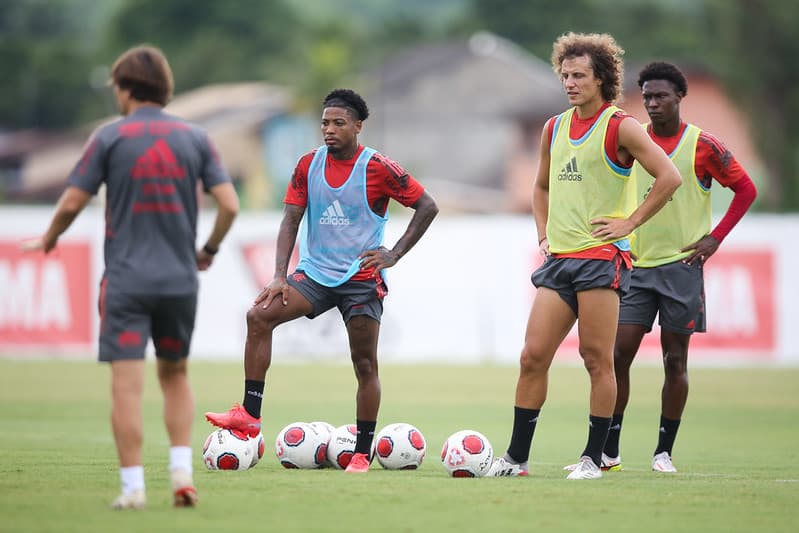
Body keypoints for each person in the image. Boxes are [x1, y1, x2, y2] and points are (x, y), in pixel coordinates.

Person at [21, 45, 240, 508]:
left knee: (127, 384)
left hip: (126, 281)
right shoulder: (196, 138)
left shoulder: (109, 138)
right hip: (180, 280)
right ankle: (182, 474)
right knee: (175, 374)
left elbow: (73, 202)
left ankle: (133, 489)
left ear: (125, 88)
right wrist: (210, 249)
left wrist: (49, 238)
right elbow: (230, 204)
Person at [204, 88, 439, 474]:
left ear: (357, 127)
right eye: (325, 123)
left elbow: (427, 205)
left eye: (338, 123)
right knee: (258, 316)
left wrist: (393, 254)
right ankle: (250, 414)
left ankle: (362, 452)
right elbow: (290, 220)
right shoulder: (307, 165)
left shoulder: (378, 167)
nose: (329, 130)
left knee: (364, 365)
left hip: (361, 279)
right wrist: (280, 275)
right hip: (315, 274)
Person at [487, 32, 682, 480]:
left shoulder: (621, 126)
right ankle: (517, 459)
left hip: (601, 259)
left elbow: (669, 176)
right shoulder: (553, 128)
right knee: (532, 356)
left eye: (579, 76)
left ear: (602, 79)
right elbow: (539, 186)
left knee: (598, 360)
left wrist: (629, 224)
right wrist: (543, 232)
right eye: (565, 75)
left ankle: (594, 459)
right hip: (559, 261)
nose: (570, 83)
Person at [600, 61, 757, 473]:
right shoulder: (632, 143)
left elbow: (745, 189)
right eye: (647, 97)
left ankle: (663, 452)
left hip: (680, 269)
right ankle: (609, 448)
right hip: (636, 266)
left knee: (674, 361)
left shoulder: (703, 146)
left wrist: (714, 237)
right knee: (618, 355)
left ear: (679, 98)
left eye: (660, 96)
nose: (652, 104)